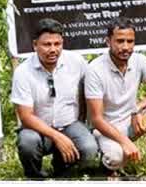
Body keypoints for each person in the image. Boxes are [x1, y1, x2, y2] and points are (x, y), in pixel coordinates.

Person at [84, 17, 146, 180]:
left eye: (130, 41)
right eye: (120, 41)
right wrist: (124, 142)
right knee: (116, 158)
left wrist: (138, 108)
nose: (125, 47)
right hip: (105, 129)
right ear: (108, 42)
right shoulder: (95, 69)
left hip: (131, 121)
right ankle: (106, 167)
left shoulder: (139, 60)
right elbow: (96, 119)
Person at [12, 19, 98, 178]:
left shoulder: (76, 62)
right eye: (47, 44)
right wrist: (57, 137)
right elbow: (25, 116)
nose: (53, 49)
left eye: (57, 44)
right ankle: (35, 176)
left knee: (89, 148)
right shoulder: (23, 72)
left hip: (69, 124)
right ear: (35, 45)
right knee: (27, 143)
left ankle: (62, 169)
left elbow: (94, 87)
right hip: (37, 130)